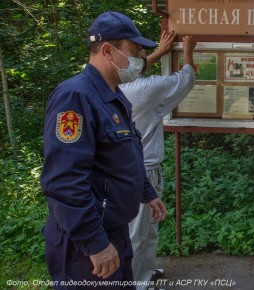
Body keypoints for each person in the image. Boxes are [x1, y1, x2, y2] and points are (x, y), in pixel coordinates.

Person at [40, 11, 166, 289]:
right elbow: (64, 181)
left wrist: (146, 193)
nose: (141, 59)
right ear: (108, 51)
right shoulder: (75, 97)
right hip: (86, 245)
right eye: (135, 51)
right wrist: (95, 243)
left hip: (115, 231)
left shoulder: (113, 96)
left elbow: (125, 155)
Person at [119, 31, 196, 288]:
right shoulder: (145, 89)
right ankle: (136, 283)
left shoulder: (113, 85)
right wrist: (187, 51)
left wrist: (160, 53)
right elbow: (184, 79)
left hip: (127, 169)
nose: (142, 57)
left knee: (147, 229)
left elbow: (131, 71)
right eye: (138, 53)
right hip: (145, 171)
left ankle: (145, 272)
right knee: (139, 233)